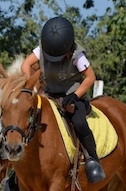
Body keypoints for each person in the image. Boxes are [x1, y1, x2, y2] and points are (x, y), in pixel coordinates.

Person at [21, 16, 105, 184]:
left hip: (71, 95)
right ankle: (17, 172)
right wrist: (32, 88)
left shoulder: (77, 55)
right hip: (49, 94)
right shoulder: (42, 49)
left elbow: (90, 77)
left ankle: (93, 159)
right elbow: (25, 65)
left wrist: (75, 96)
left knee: (79, 122)